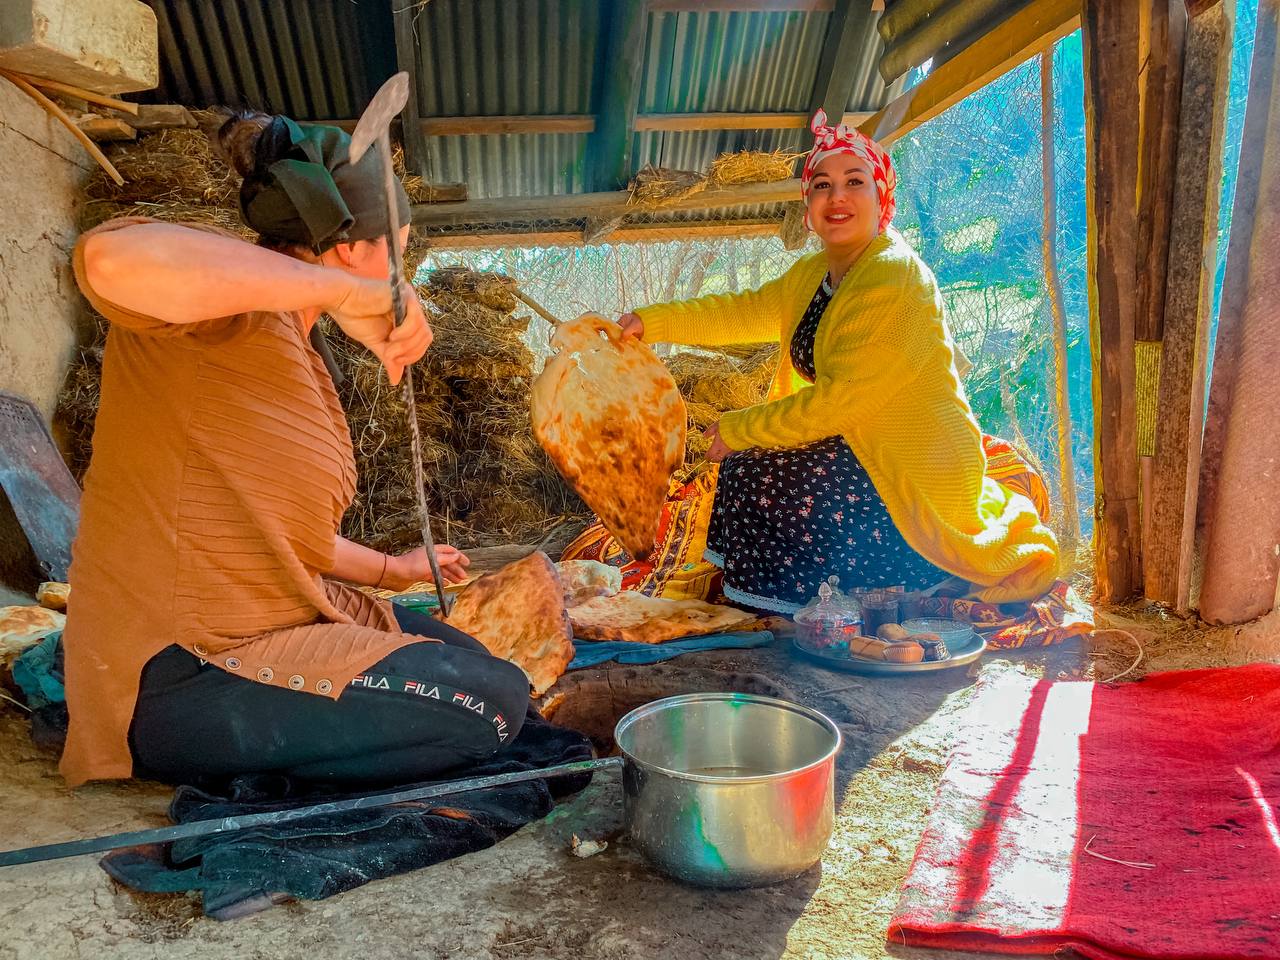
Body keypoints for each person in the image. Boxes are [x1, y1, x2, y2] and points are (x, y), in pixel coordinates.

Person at [60, 112, 530, 788]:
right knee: (489, 707)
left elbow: (269, 531)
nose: (405, 271)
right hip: (181, 664)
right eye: (399, 249)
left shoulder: (297, 346)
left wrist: (389, 570)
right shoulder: (216, 307)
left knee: (474, 659)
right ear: (349, 251)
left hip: (277, 613)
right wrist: (347, 294)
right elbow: (107, 261)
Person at [617, 110, 1059, 614]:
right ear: (808, 205)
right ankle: (789, 597)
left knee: (765, 475)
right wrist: (648, 323)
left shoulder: (893, 278)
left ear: (881, 197)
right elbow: (741, 310)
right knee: (746, 468)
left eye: (855, 182)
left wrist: (739, 427)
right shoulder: (815, 273)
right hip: (861, 442)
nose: (838, 197)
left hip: (913, 466)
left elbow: (839, 402)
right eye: (822, 185)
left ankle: (875, 587)